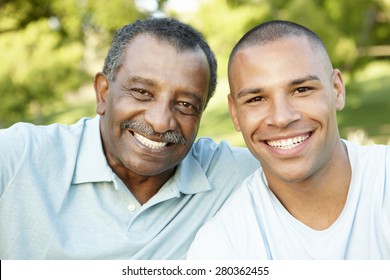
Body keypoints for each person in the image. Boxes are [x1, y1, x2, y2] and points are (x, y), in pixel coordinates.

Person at [0, 17, 259, 259]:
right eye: (142, 92)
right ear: (103, 93)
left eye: (185, 104)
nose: (160, 122)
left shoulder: (238, 175)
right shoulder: (19, 156)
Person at [187, 20, 390, 259]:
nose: (281, 118)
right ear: (235, 114)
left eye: (302, 89)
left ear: (336, 89)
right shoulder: (222, 246)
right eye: (256, 99)